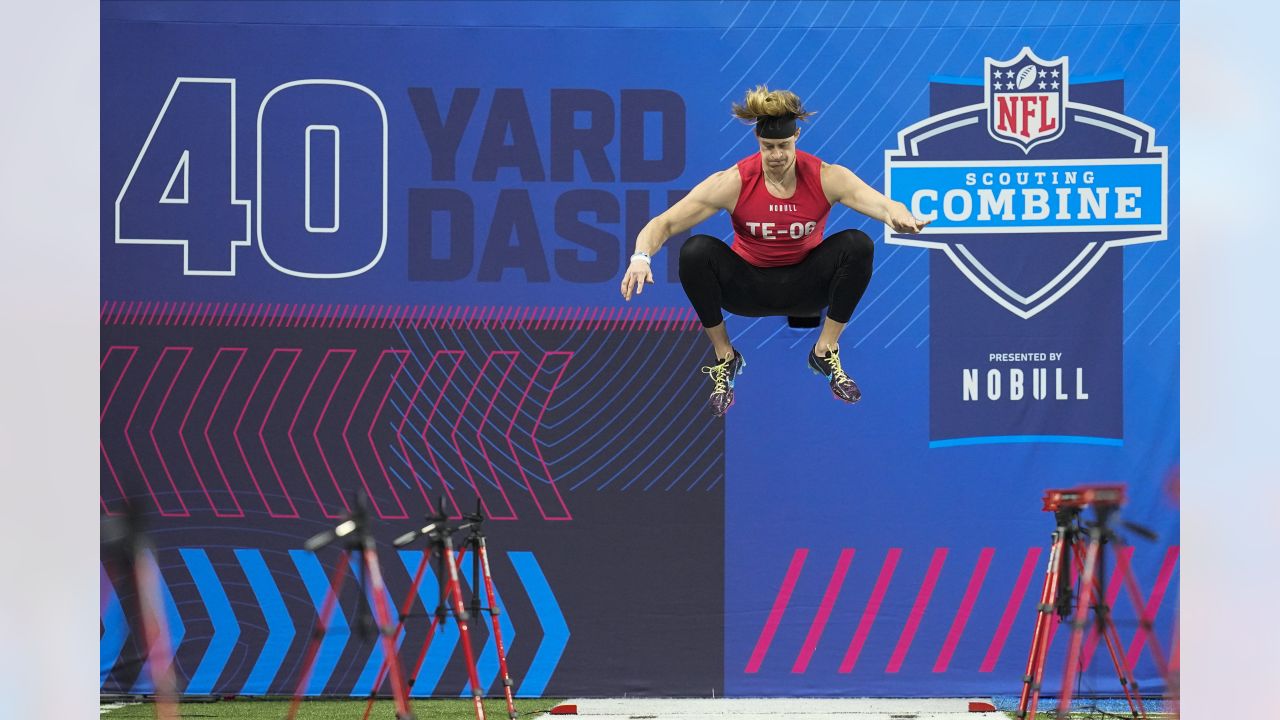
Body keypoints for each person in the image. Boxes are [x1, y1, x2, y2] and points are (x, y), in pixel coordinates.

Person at [619, 85, 930, 417]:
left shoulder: (827, 177)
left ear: (796, 136)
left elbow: (885, 205)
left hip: (807, 287)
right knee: (695, 251)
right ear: (757, 141)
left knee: (858, 244)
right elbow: (662, 224)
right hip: (747, 288)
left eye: (784, 145)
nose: (777, 155)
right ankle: (725, 357)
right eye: (769, 147)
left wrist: (899, 215)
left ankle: (825, 350)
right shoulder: (733, 182)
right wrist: (641, 256)